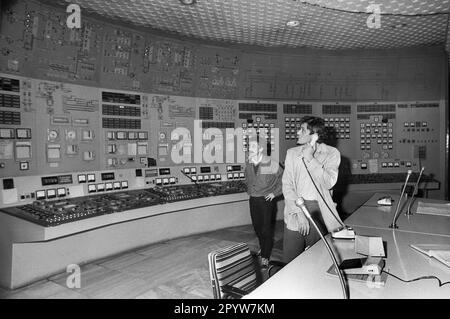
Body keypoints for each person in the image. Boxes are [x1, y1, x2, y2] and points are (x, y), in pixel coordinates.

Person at [282, 116, 344, 263]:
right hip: (295, 210)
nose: (297, 132)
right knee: (290, 262)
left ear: (314, 135)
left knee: (317, 261)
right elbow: (287, 185)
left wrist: (310, 158)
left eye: (302, 130)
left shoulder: (332, 153)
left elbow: (329, 182)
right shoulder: (292, 153)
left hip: (319, 212)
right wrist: (299, 212)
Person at [245, 138, 284, 268]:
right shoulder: (249, 162)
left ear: (261, 149)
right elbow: (248, 179)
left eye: (253, 147)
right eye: (249, 147)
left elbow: (284, 179)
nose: (249, 149)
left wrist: (275, 193)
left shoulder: (270, 163)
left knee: (266, 229)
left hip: (266, 200)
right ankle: (263, 247)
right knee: (257, 227)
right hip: (253, 199)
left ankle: (265, 256)